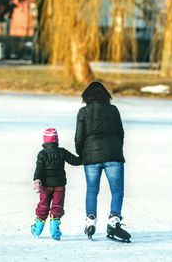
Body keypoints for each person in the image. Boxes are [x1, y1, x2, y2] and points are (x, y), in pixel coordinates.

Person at [74, 81, 131, 241]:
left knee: (92, 190)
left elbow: (79, 137)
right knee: (117, 191)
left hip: (91, 157)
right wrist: (117, 148)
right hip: (114, 155)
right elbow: (120, 133)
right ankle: (114, 221)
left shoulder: (83, 112)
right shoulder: (113, 110)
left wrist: (81, 154)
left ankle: (90, 221)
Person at [31, 128, 81, 240]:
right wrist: (85, 156)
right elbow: (75, 161)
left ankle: (37, 228)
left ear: (45, 140)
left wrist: (37, 180)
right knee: (57, 206)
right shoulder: (62, 152)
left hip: (45, 186)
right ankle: (54, 230)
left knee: (43, 205)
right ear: (56, 140)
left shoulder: (42, 154)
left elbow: (39, 169)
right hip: (59, 185)